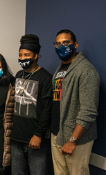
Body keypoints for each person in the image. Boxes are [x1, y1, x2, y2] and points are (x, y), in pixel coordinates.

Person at [50, 29, 100, 175]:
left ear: (75, 44)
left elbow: (89, 111)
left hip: (76, 139)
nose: (61, 46)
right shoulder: (60, 69)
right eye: (58, 43)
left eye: (66, 43)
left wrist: (72, 140)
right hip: (57, 134)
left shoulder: (87, 71)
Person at [10, 34, 52, 175]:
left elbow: (47, 109)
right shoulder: (18, 75)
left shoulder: (45, 77)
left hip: (35, 139)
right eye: (20, 55)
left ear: (35, 56)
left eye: (26, 54)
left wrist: (38, 135)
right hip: (16, 137)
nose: (22, 58)